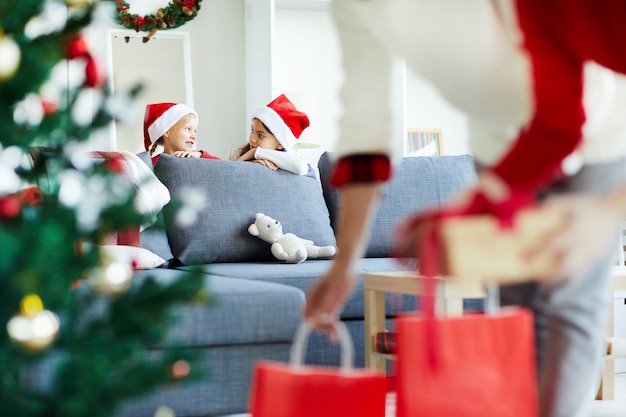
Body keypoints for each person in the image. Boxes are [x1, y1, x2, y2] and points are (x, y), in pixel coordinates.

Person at [303, 2, 626, 417]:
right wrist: (346, 259)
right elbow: (365, 127)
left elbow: (576, 110)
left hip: (602, 133)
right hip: (508, 143)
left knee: (567, 300)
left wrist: (606, 212)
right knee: (514, 308)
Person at [228, 94, 309, 175]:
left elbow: (301, 168)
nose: (252, 139)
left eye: (261, 135)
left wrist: (255, 152)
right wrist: (246, 162)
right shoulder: (237, 152)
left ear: (280, 143)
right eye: (252, 130)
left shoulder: (289, 157)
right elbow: (226, 174)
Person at [143, 102, 220, 165]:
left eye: (195, 131)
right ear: (167, 132)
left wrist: (200, 155)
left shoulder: (193, 157)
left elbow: (223, 165)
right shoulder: (152, 164)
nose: (193, 136)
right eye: (188, 129)